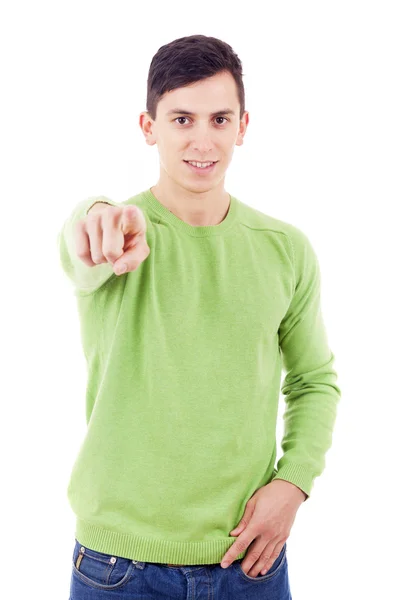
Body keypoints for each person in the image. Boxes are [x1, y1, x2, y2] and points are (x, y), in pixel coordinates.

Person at [57, 34, 341, 600]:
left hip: (250, 563)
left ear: (243, 126)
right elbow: (82, 241)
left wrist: (293, 483)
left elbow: (315, 381)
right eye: (182, 118)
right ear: (148, 127)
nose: (202, 139)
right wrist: (96, 215)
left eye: (219, 118)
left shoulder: (285, 248)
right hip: (119, 569)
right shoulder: (120, 233)